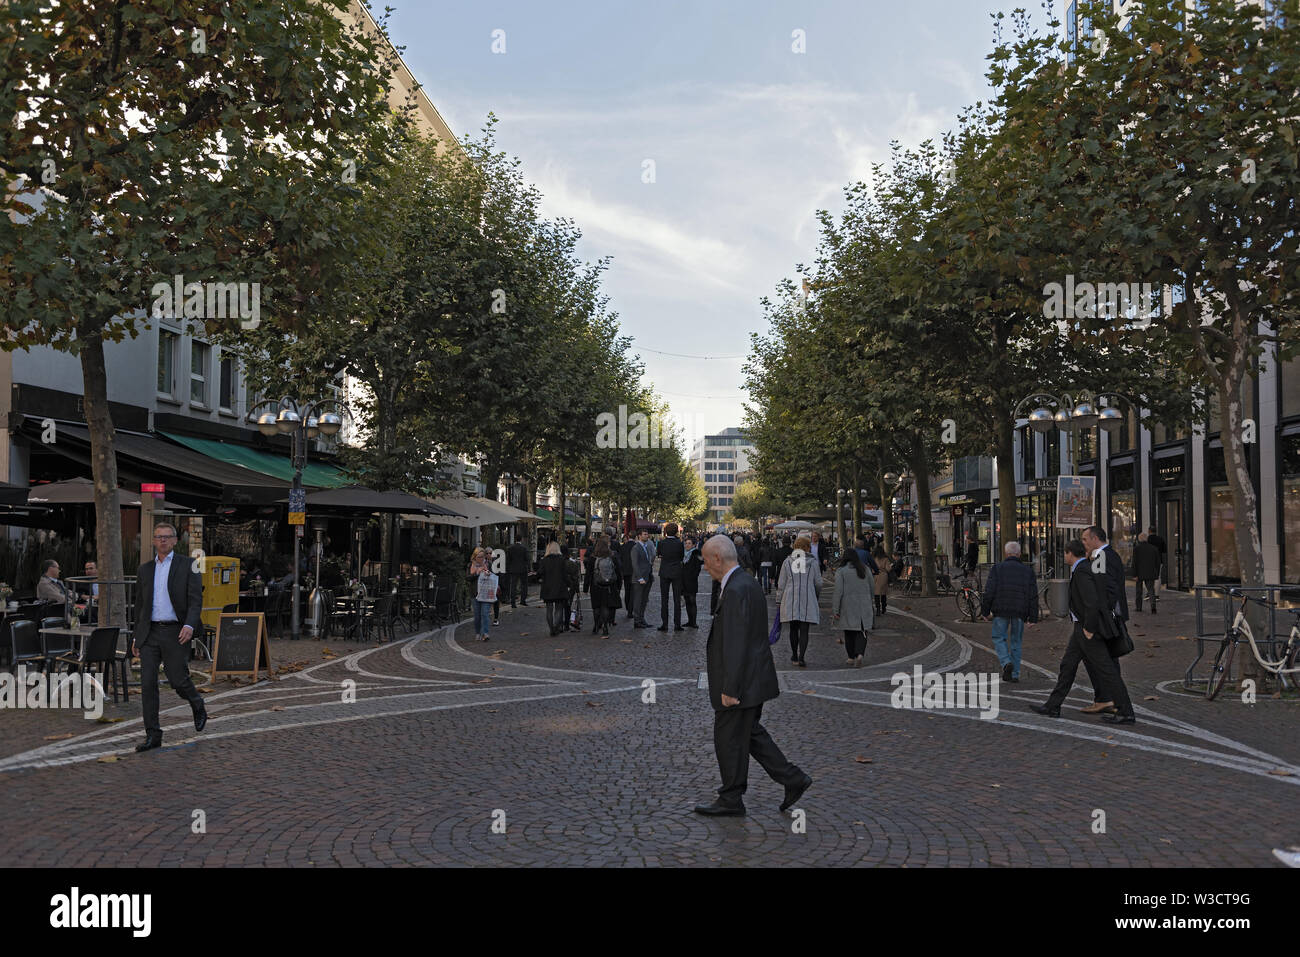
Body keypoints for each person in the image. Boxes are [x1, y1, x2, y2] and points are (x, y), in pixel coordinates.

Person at [693, 534, 811, 817]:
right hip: (753, 677)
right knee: (750, 735)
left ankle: (732, 797)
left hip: (741, 682)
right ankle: (793, 778)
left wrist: (730, 688)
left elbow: (736, 641)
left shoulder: (735, 589)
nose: (705, 567)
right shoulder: (746, 582)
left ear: (718, 559)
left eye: (706, 562)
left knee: (729, 739)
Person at [1032, 539, 1135, 724]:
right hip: (1080, 628)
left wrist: (1089, 628)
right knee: (1068, 666)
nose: (1064, 557)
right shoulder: (1085, 568)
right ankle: (1052, 705)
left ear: (1070, 553)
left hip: (1087, 629)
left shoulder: (1082, 571)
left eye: (1064, 553)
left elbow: (1092, 602)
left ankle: (1126, 711)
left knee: (1106, 669)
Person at [132, 523, 207, 752]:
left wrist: (189, 625)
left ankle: (197, 703)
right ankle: (153, 734)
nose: (163, 541)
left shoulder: (190, 565)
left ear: (175, 541)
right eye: (158, 537)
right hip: (150, 633)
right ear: (154, 541)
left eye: (167, 537)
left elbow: (196, 600)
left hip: (176, 631)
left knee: (178, 680)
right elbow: (140, 606)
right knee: (147, 684)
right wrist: (137, 636)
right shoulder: (144, 570)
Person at [1080, 525, 1129, 714]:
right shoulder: (1107, 555)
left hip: (1105, 617)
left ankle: (1112, 700)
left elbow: (1105, 589)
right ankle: (1107, 698)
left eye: (1085, 539)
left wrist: (1100, 614)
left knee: (1104, 660)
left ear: (1094, 539)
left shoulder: (1101, 557)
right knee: (1102, 658)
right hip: (1108, 615)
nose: (1083, 543)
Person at [979, 541, 1039, 683]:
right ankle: (1015, 674)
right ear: (1019, 554)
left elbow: (989, 591)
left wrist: (985, 611)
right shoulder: (1027, 571)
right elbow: (1033, 595)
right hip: (1020, 610)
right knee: (1016, 642)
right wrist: (1033, 617)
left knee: (998, 637)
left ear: (1006, 553)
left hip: (1001, 609)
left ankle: (1006, 662)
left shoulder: (997, 568)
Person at [778, 535, 821, 668]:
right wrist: (816, 595)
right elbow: (818, 582)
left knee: (793, 628)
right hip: (807, 597)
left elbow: (782, 582)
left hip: (791, 597)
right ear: (807, 547)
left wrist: (779, 600)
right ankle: (802, 656)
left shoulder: (787, 562)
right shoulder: (812, 562)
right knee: (804, 629)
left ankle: (794, 655)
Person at [832, 549, 874, 667]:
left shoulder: (841, 571)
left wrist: (836, 609)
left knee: (849, 631)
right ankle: (860, 654)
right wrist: (870, 600)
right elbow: (872, 586)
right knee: (862, 631)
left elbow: (838, 591)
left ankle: (851, 657)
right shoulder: (865, 569)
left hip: (847, 605)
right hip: (864, 604)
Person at [584, 537, 622, 636]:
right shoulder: (612, 556)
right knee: (605, 606)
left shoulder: (592, 558)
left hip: (595, 585)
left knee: (596, 606)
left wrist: (585, 587)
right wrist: (619, 585)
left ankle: (596, 626)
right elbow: (618, 572)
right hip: (609, 585)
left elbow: (588, 574)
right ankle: (605, 626)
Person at [656, 522, 685, 632]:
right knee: (677, 599)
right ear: (676, 531)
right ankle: (677, 624)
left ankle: (665, 624)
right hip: (677, 571)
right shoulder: (679, 543)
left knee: (664, 599)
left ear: (666, 531)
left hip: (664, 571)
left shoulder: (662, 543)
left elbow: (659, 554)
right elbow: (681, 556)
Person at [539, 542, 570, 636]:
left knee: (549, 609)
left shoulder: (544, 560)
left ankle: (551, 628)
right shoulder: (561, 560)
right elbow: (565, 574)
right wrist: (569, 584)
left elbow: (540, 572)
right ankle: (556, 626)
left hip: (547, 587)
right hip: (559, 586)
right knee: (559, 608)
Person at [630, 528, 655, 629]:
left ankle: (642, 618)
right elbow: (635, 564)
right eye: (645, 534)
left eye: (647, 534)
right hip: (639, 579)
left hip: (648, 577)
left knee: (644, 600)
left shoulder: (647, 546)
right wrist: (639, 577)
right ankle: (637, 620)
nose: (647, 536)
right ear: (639, 536)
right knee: (638, 600)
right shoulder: (636, 548)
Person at [468, 548, 494, 641]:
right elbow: (468, 578)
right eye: (479, 557)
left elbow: (493, 576)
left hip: (486, 593)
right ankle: (478, 632)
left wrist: (488, 574)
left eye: (483, 557)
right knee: (477, 616)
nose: (481, 559)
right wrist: (476, 573)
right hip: (475, 593)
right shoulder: (470, 565)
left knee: (485, 614)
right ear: (475, 557)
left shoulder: (488, 564)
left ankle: (485, 633)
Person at [1132, 532, 1160, 614]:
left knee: (1138, 591)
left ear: (1139, 539)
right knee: (1151, 590)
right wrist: (1156, 573)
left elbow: (1134, 562)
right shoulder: (1154, 548)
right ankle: (1153, 607)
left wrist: (1134, 574)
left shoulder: (1137, 549)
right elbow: (1157, 563)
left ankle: (1138, 607)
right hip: (1150, 573)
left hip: (1139, 573)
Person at [681, 534, 703, 628]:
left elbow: (697, 568)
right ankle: (689, 621)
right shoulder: (683, 554)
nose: (687, 545)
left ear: (694, 545)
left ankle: (693, 622)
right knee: (687, 601)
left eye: (689, 543)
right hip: (683, 581)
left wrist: (692, 577)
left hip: (692, 581)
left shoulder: (696, 553)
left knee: (692, 601)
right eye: (686, 543)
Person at [505, 538, 530, 607]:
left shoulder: (510, 548)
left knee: (513, 586)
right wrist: (529, 568)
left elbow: (508, 560)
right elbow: (527, 559)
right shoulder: (524, 548)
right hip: (523, 569)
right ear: (521, 540)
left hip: (513, 569)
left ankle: (513, 603)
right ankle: (523, 600)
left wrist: (508, 569)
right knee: (524, 585)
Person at [619, 534, 637, 622]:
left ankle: (628, 608)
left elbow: (620, 559)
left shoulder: (623, 547)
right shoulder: (636, 546)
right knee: (633, 592)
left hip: (625, 572)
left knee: (627, 591)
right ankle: (630, 610)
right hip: (634, 572)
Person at [873, 545, 891, 616]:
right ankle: (883, 607)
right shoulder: (886, 559)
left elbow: (871, 568)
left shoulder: (874, 558)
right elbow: (888, 569)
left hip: (876, 576)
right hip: (883, 576)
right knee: (883, 593)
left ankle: (878, 609)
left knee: (876, 593)